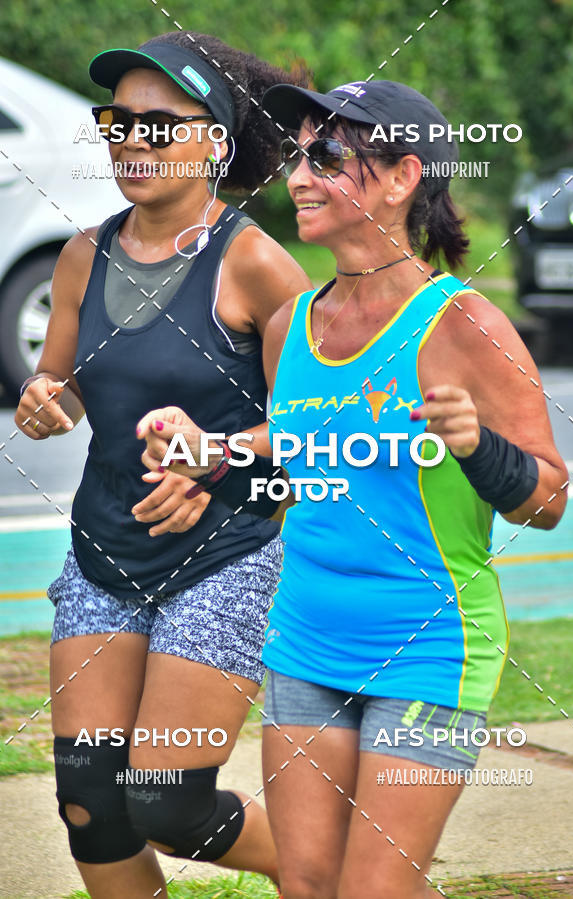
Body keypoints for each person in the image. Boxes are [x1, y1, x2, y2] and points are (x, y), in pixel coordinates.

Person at [138, 79, 569, 898]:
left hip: (427, 650)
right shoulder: (290, 325)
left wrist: (477, 450)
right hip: (305, 640)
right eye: (299, 156)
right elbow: (297, 466)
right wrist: (209, 458)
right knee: (306, 883)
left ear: (403, 177)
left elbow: (545, 500)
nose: (299, 177)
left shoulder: (464, 323)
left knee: (375, 891)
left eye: (328, 156)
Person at [14, 32, 310, 899]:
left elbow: (310, 437)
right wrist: (42, 399)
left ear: (215, 139)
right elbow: (57, 386)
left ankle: (353, 875)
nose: (131, 141)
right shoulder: (82, 254)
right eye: (118, 122)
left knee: (166, 799)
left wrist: (218, 460)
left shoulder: (254, 263)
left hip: (223, 556)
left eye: (159, 124)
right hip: (105, 551)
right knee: (90, 807)